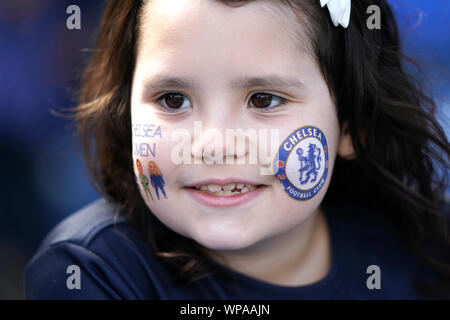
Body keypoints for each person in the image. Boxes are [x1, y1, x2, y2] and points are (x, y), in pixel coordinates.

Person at [25, 0, 450, 299]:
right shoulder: (89, 272)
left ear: (351, 124)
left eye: (263, 99)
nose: (214, 146)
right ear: (125, 109)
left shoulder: (418, 252)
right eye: (174, 100)